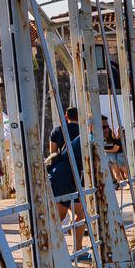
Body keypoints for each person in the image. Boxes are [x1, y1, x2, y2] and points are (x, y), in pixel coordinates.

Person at [46, 106, 86, 253]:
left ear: (66, 116)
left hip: (60, 174)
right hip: (75, 176)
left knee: (61, 215)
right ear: (79, 117)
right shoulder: (83, 131)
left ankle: (54, 247)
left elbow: (53, 153)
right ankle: (75, 248)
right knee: (79, 213)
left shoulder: (57, 131)